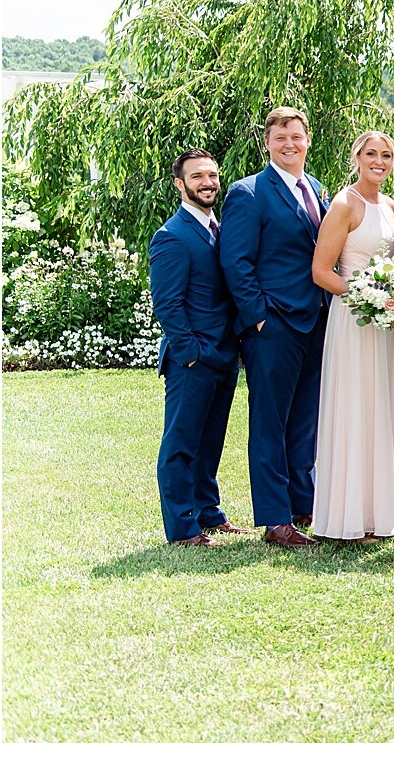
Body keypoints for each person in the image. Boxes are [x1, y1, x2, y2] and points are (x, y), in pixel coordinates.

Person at [220, 107, 330, 548]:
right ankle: (275, 519)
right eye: (281, 137)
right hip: (274, 325)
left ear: (308, 141)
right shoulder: (248, 193)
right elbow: (236, 261)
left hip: (316, 321)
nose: (290, 144)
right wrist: (260, 316)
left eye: (297, 137)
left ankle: (304, 504)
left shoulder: (318, 190)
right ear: (268, 142)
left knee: (304, 422)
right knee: (269, 423)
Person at [309, 131, 394, 542]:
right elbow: (322, 271)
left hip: (387, 321)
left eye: (387, 155)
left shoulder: (389, 204)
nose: (380, 161)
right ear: (356, 157)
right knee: (358, 406)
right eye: (372, 153)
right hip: (355, 319)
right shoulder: (344, 204)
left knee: (386, 405)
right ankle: (352, 513)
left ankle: (392, 507)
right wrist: (367, 295)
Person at [150, 149, 246, 546]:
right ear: (180, 184)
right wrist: (192, 352)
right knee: (181, 443)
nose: (207, 183)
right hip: (193, 360)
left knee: (210, 442)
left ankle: (208, 512)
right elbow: (167, 305)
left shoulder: (220, 229)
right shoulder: (171, 236)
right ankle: (182, 527)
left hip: (225, 356)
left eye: (211, 175)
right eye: (197, 177)